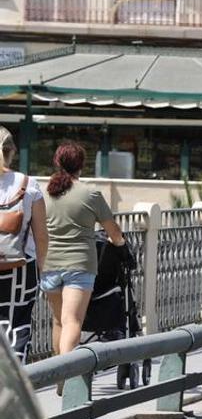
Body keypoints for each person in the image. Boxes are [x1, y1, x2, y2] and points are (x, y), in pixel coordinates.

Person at [42, 144, 126, 366]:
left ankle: (56, 370)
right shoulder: (90, 194)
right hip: (79, 266)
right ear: (81, 165)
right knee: (73, 322)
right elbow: (113, 232)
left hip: (49, 264)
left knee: (59, 321)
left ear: (57, 163)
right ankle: (66, 377)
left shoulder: (45, 193)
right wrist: (119, 243)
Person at [0, 128, 48, 364]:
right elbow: (41, 235)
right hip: (21, 269)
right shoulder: (28, 184)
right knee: (18, 326)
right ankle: (14, 386)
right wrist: (44, 269)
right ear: (12, 152)